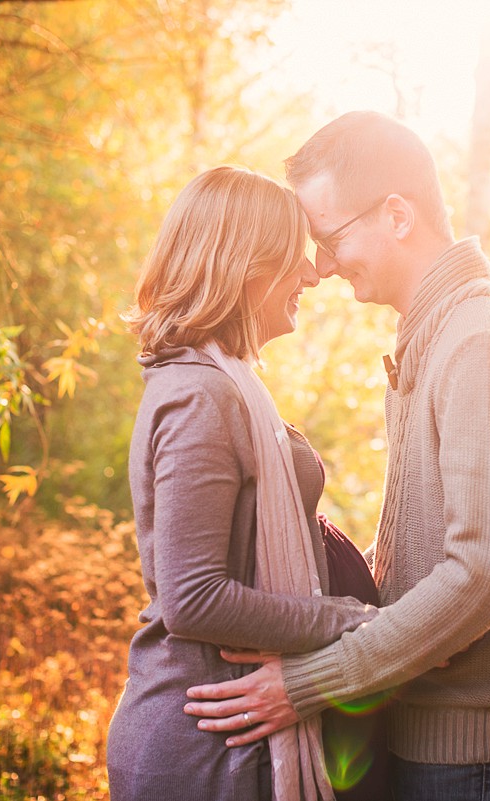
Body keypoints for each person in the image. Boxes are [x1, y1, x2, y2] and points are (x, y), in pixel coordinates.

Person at [184, 112, 490, 801]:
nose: (323, 267)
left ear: (398, 215)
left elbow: (482, 575)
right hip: (427, 731)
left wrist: (308, 683)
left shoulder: (481, 346)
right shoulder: (434, 336)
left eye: (330, 238)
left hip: (473, 756)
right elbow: (423, 548)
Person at [107, 165, 389, 801]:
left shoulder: (226, 385)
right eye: (295, 257)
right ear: (246, 266)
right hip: (199, 746)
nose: (313, 275)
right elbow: (193, 598)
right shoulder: (203, 397)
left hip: (220, 732)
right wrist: (352, 622)